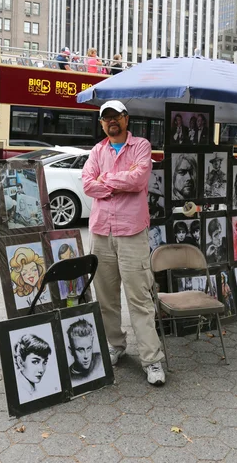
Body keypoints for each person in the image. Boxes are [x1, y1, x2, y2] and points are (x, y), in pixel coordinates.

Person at [82, 99, 165, 386]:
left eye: (115, 116)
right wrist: (119, 181)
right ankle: (115, 345)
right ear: (101, 123)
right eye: (106, 118)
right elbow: (87, 184)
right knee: (106, 297)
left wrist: (106, 180)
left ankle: (152, 360)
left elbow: (139, 179)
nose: (111, 122)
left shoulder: (140, 146)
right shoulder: (97, 150)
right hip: (101, 233)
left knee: (140, 299)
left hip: (131, 233)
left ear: (126, 119)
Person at [13, 334, 51, 402]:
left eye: (44, 362)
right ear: (20, 362)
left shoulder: (33, 389)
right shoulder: (20, 392)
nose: (41, 369)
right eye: (35, 362)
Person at [67, 318, 103, 385]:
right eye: (81, 350)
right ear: (71, 351)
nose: (86, 356)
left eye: (89, 348)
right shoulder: (67, 377)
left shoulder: (101, 359)